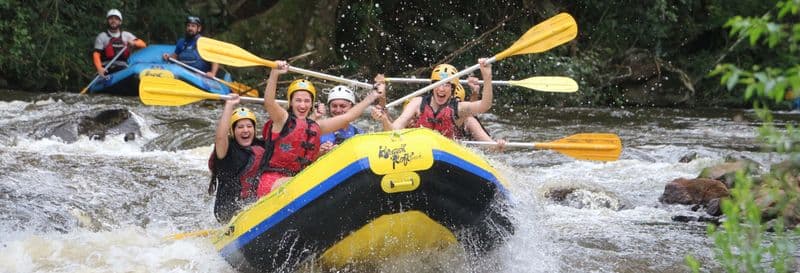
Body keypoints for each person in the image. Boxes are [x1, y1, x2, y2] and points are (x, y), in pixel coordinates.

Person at [259, 61, 384, 196]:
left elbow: (348, 117)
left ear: (312, 103)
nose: (302, 105)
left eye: (307, 101)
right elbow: (269, 102)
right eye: (298, 100)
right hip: (273, 181)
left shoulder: (316, 126)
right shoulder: (282, 119)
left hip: (298, 179)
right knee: (305, 182)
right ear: (291, 102)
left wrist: (373, 96)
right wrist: (274, 73)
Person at [373, 60, 493, 138]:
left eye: (446, 85)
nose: (441, 89)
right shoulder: (417, 103)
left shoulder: (459, 108)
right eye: (438, 84)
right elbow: (393, 131)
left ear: (453, 89)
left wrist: (487, 77)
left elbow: (485, 105)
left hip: (448, 157)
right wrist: (384, 119)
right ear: (432, 86)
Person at [207, 94, 266, 223]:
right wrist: (229, 105)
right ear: (233, 131)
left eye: (249, 126)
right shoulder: (227, 152)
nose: (245, 130)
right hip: (229, 211)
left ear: (255, 129)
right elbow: (220, 138)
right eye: (240, 127)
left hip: (254, 203)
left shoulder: (261, 146)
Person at [92, 9, 147, 76]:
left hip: (123, 68)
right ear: (107, 21)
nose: (113, 21)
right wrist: (99, 68)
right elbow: (96, 54)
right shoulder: (102, 36)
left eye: (116, 19)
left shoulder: (126, 35)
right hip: (106, 68)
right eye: (111, 19)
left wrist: (134, 43)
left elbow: (143, 44)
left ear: (120, 22)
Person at [319, 85, 363, 154]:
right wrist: (320, 153)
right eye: (334, 106)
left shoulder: (358, 133)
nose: (338, 110)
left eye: (343, 106)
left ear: (352, 108)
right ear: (329, 108)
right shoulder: (318, 131)